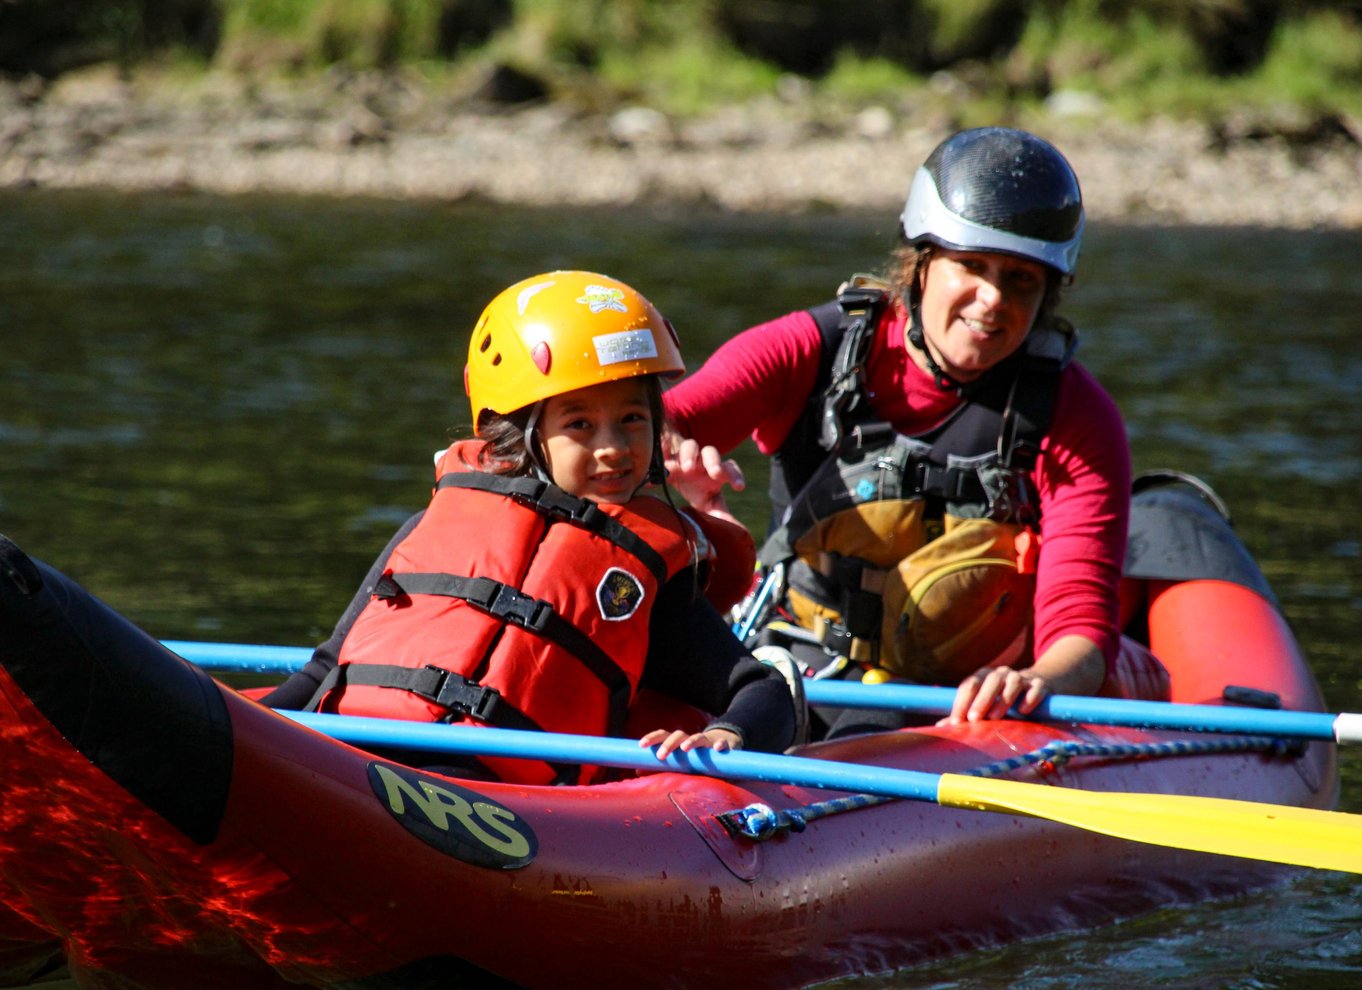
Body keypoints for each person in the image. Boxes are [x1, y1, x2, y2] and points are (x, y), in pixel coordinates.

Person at [663, 127, 1169, 739]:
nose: (992, 299)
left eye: (1021, 280)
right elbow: (655, 425)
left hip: (963, 705)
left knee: (877, 718)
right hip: (795, 670)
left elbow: (1081, 630)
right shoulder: (810, 349)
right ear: (922, 264)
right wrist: (669, 469)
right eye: (971, 265)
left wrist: (1039, 682)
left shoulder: (1077, 417)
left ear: (1047, 293)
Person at [262, 270, 797, 783]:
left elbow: (763, 690)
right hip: (359, 754)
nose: (613, 447)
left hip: (497, 796)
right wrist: (243, 729)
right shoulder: (431, 525)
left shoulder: (640, 576)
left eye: (633, 419)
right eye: (579, 424)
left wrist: (726, 735)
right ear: (521, 434)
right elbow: (322, 671)